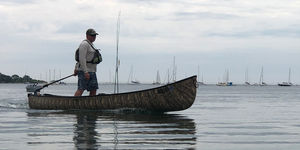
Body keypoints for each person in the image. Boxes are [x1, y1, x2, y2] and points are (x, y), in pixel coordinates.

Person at [74, 28, 99, 96]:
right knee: (81, 89)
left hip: (92, 71)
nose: (94, 37)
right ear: (87, 36)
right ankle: (74, 103)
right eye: (92, 35)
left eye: (95, 35)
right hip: (84, 71)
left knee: (94, 89)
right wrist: (85, 72)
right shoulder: (84, 44)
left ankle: (91, 104)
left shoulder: (91, 45)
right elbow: (81, 58)